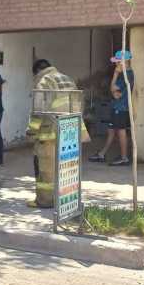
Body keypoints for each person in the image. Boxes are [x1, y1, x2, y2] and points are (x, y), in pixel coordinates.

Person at [26, 59, 90, 208]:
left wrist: (31, 131)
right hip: (71, 130)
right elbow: (80, 102)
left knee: (47, 169)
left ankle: (45, 200)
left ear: (36, 72)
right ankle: (67, 199)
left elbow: (38, 110)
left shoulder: (43, 81)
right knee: (66, 167)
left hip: (51, 132)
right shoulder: (67, 78)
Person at [89, 50, 135, 166]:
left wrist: (115, 74)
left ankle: (124, 157)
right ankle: (102, 154)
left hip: (120, 107)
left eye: (118, 62)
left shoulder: (125, 75)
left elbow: (114, 92)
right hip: (118, 107)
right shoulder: (128, 73)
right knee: (111, 130)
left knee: (121, 131)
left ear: (124, 62)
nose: (116, 65)